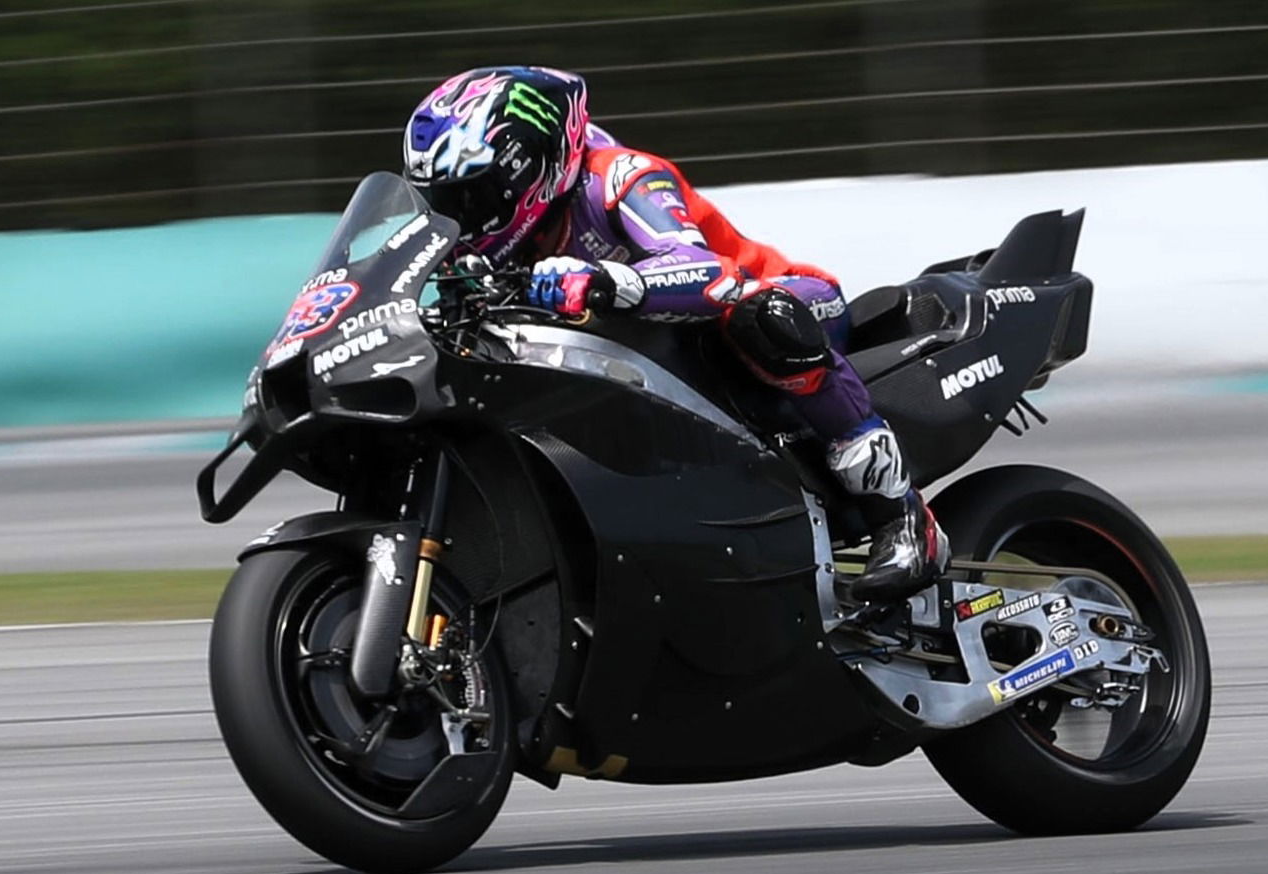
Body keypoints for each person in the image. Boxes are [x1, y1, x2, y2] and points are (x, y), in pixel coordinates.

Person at [402, 66, 946, 602]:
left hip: (783, 300)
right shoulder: (486, 254)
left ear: (530, 167)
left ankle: (901, 516)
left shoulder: (620, 178)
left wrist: (604, 281)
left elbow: (709, 272)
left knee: (762, 318)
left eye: (472, 198)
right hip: (671, 355)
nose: (461, 221)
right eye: (443, 204)